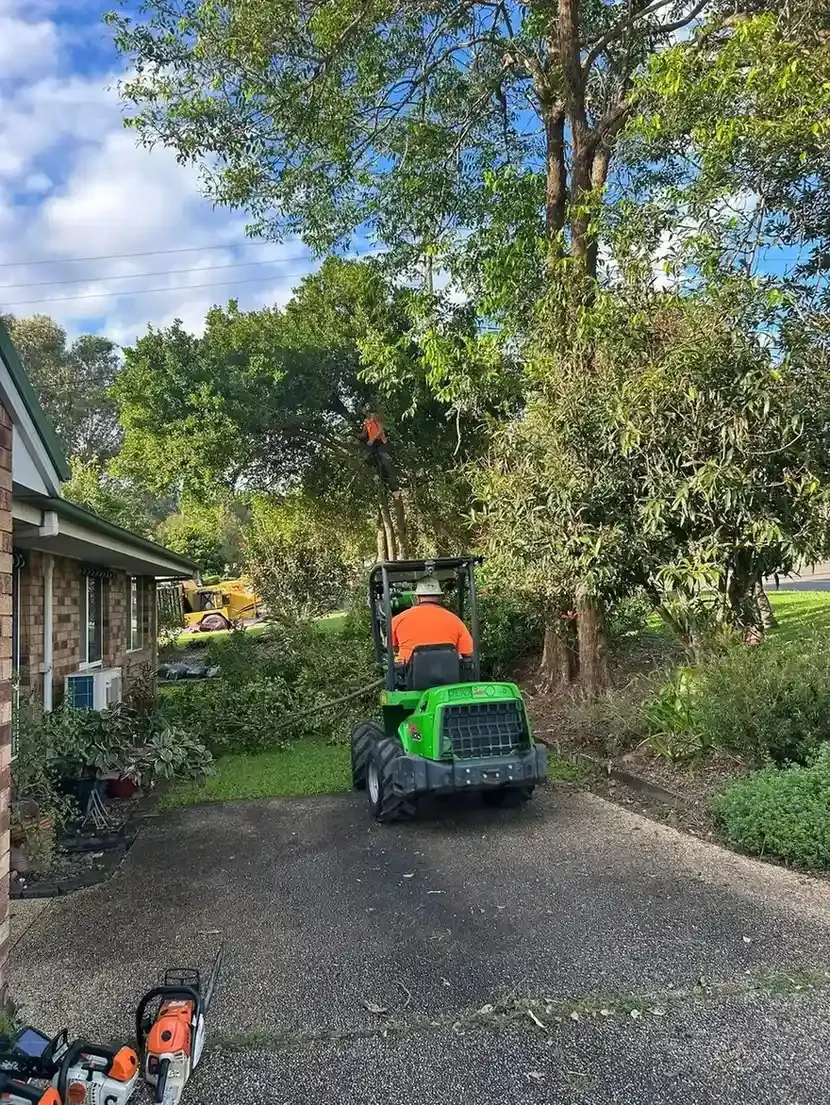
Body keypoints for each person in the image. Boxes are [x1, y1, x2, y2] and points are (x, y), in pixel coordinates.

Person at [391, 576, 474, 664]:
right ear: (440, 598)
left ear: (417, 598)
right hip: (448, 675)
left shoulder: (399, 619)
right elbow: (467, 653)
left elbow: (389, 645)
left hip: (408, 675)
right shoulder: (455, 620)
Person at [360, 407, 399, 492]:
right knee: (367, 457)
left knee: (387, 460)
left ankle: (394, 484)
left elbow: (380, 430)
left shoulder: (375, 416)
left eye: (363, 409)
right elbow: (363, 433)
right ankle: (378, 475)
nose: (363, 411)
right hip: (373, 443)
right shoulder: (366, 421)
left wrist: (372, 439)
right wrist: (353, 436)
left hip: (381, 441)